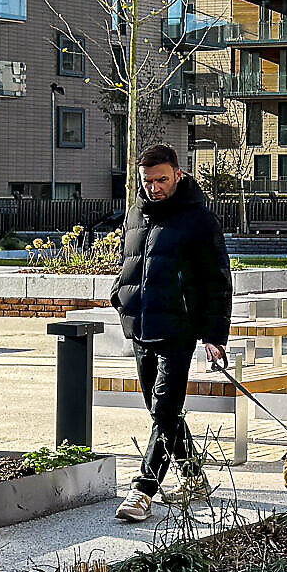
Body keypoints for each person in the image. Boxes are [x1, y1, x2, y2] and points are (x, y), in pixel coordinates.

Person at [110, 142, 234, 522]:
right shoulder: (136, 214)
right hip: (141, 327)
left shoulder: (200, 220)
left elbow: (218, 282)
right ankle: (194, 476)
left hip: (178, 331)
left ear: (178, 174)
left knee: (164, 410)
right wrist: (120, 297)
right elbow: (129, 262)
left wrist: (214, 336)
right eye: (147, 181)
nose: (154, 187)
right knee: (161, 410)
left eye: (162, 179)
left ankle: (143, 491)